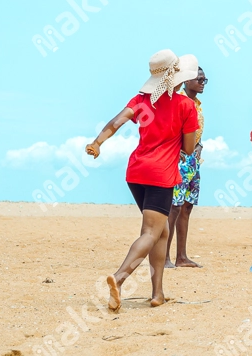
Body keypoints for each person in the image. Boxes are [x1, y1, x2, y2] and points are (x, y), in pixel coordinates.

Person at [86, 50, 200, 310]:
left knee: (161, 231)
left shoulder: (141, 100)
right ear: (178, 78)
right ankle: (119, 278)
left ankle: (157, 293)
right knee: (151, 231)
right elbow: (189, 148)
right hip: (161, 174)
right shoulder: (186, 106)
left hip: (137, 172)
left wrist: (97, 143)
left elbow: (117, 121)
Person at [166, 65, 207, 268]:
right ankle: (164, 257)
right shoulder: (178, 102)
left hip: (193, 161)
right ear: (187, 80)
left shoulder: (197, 105)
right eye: (199, 79)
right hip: (179, 160)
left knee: (187, 207)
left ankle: (181, 256)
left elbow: (195, 133)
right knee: (174, 207)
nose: (202, 83)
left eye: (204, 80)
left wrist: (199, 146)